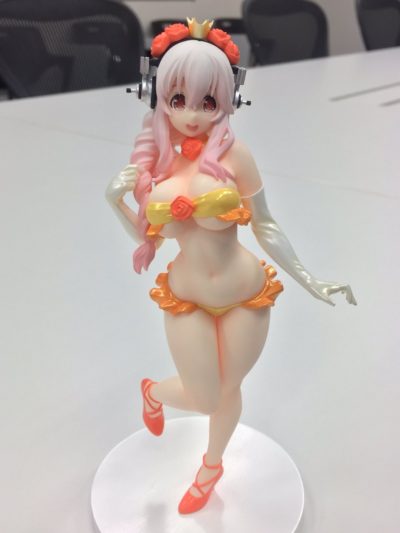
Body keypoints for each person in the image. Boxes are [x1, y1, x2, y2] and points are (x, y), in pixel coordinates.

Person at [106, 19, 356, 515]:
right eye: (179, 100)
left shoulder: (235, 156)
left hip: (245, 295)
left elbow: (265, 224)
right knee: (203, 396)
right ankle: (153, 392)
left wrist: (310, 278)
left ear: (228, 100)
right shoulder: (155, 168)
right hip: (188, 299)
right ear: (158, 96)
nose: (192, 114)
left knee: (226, 391)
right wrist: (116, 201)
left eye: (208, 101)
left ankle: (211, 467)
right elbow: (148, 236)